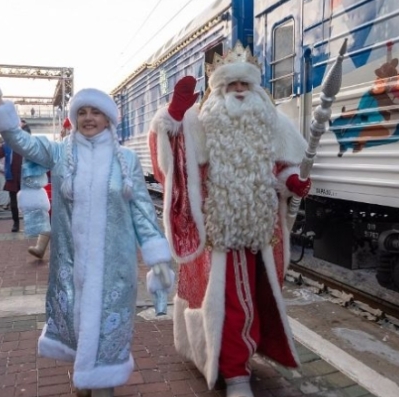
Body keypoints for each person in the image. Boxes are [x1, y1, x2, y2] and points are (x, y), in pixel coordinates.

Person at [0, 70, 174, 397]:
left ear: (108, 118)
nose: (88, 118)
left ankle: (102, 386)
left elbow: (142, 211)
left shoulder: (124, 160)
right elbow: (20, 141)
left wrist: (158, 259)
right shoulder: (61, 153)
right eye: (81, 112)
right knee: (77, 323)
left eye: (95, 111)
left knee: (108, 330)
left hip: (114, 267)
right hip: (71, 263)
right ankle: (85, 376)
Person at [147, 41, 312, 397]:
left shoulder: (271, 123)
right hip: (219, 231)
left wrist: (292, 182)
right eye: (230, 85)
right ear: (218, 90)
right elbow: (173, 166)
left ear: (255, 89)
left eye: (245, 85)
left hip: (261, 231)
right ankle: (236, 372)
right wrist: (174, 117)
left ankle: (240, 359)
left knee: (254, 299)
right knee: (233, 303)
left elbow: (282, 168)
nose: (238, 92)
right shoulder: (202, 123)